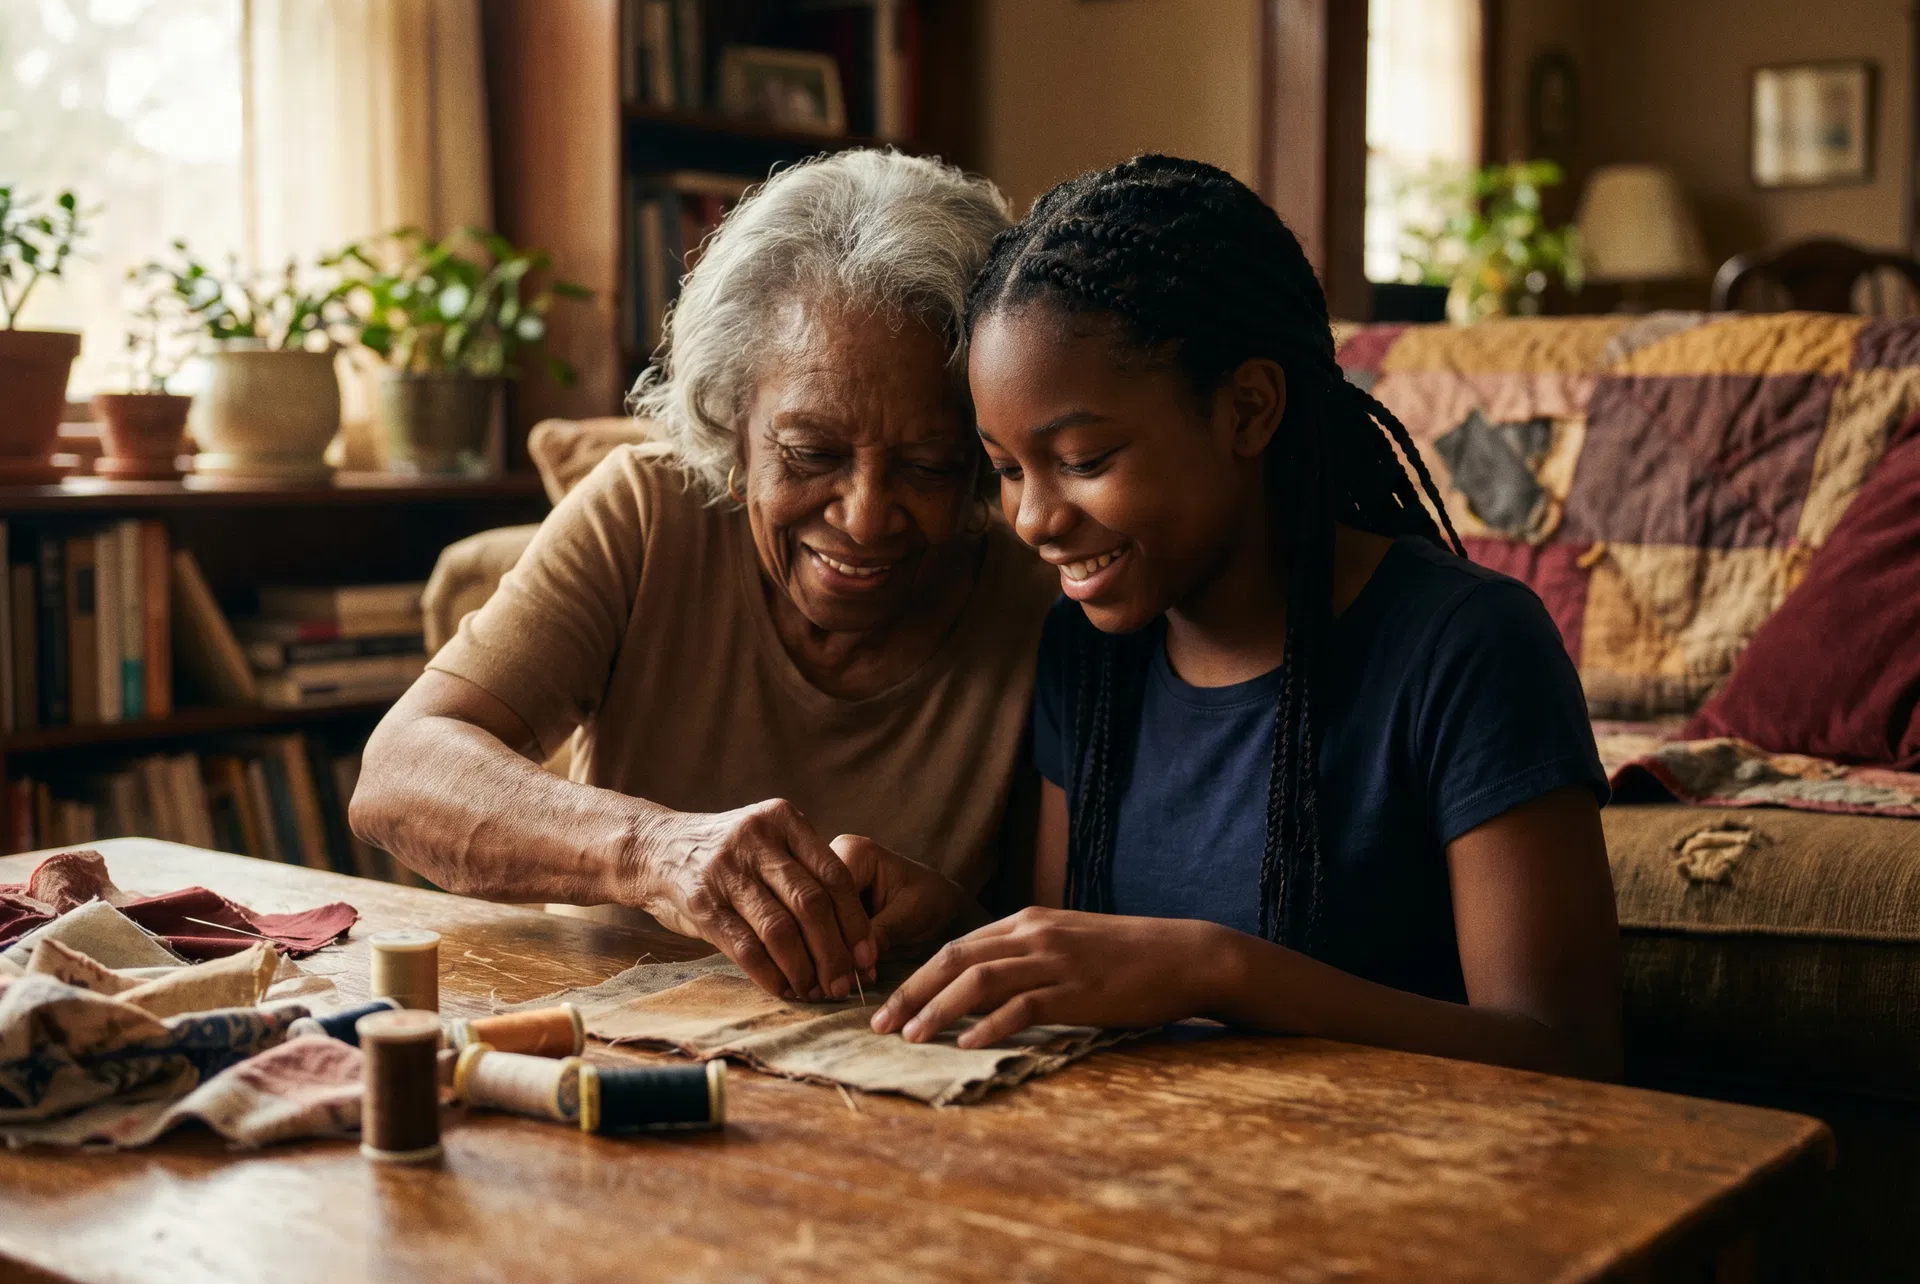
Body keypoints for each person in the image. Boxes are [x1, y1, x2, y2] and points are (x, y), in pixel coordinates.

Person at [841, 155, 1622, 1079]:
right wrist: (962, 931)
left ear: (1248, 409)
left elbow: (1569, 1056)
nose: (1034, 519)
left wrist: (1217, 970)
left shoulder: (1468, 649)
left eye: (1084, 459)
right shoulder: (1086, 654)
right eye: (1008, 469)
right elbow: (1094, 987)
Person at [351, 149, 1056, 1005]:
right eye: (811, 455)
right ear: (732, 428)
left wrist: (954, 919)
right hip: (597, 1044)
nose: (866, 516)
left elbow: (1072, 930)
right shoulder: (646, 516)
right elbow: (396, 777)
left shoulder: (1045, 590)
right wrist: (655, 851)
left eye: (930, 467)